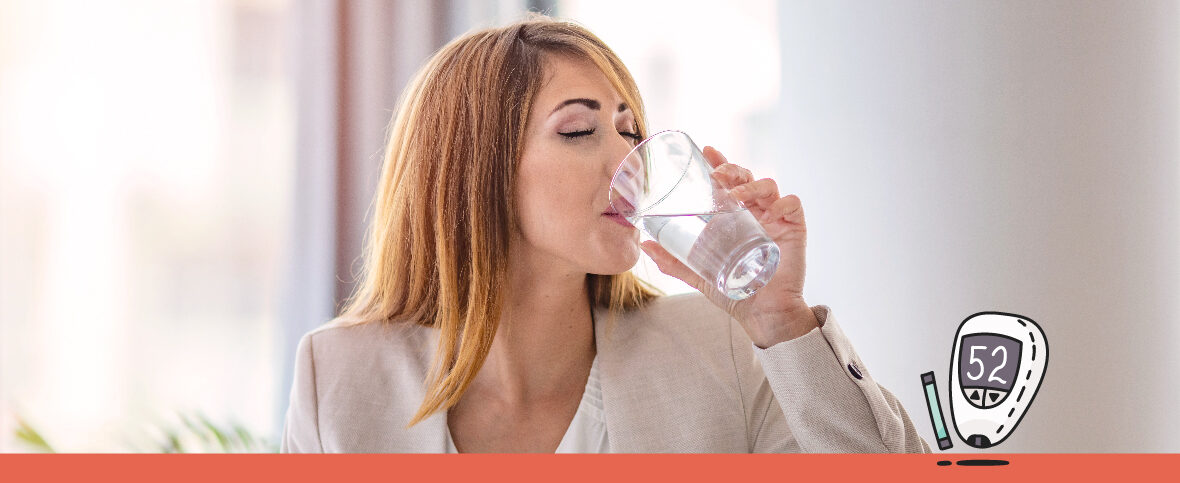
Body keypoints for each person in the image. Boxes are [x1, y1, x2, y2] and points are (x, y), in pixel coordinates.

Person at [280, 15, 930, 453]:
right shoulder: (336, 378)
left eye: (630, 129)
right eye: (578, 130)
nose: (629, 160)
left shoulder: (723, 348)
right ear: (476, 169)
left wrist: (780, 317)